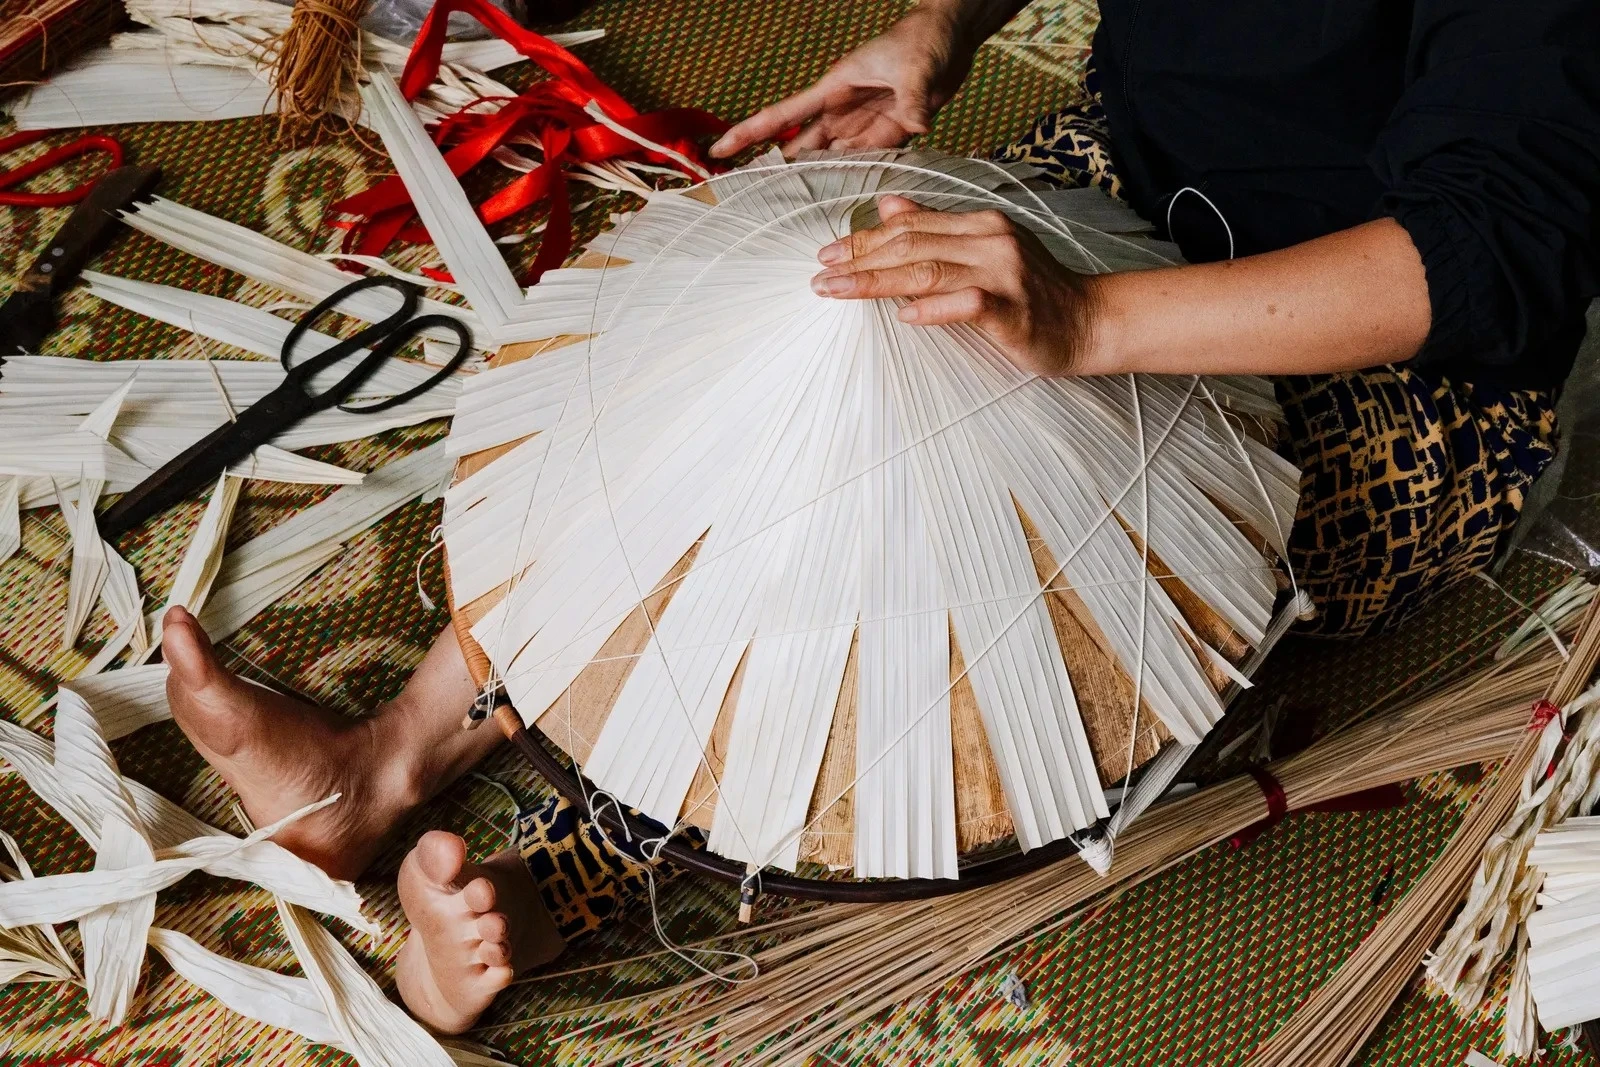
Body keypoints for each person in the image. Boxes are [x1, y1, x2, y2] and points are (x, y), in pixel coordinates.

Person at [159, 0, 1600, 1036]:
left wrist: (1088, 323)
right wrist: (939, 30)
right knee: (786, 385)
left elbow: (1495, 251)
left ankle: (549, 892)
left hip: (1381, 366)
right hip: (1130, 179)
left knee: (949, 585)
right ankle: (384, 758)